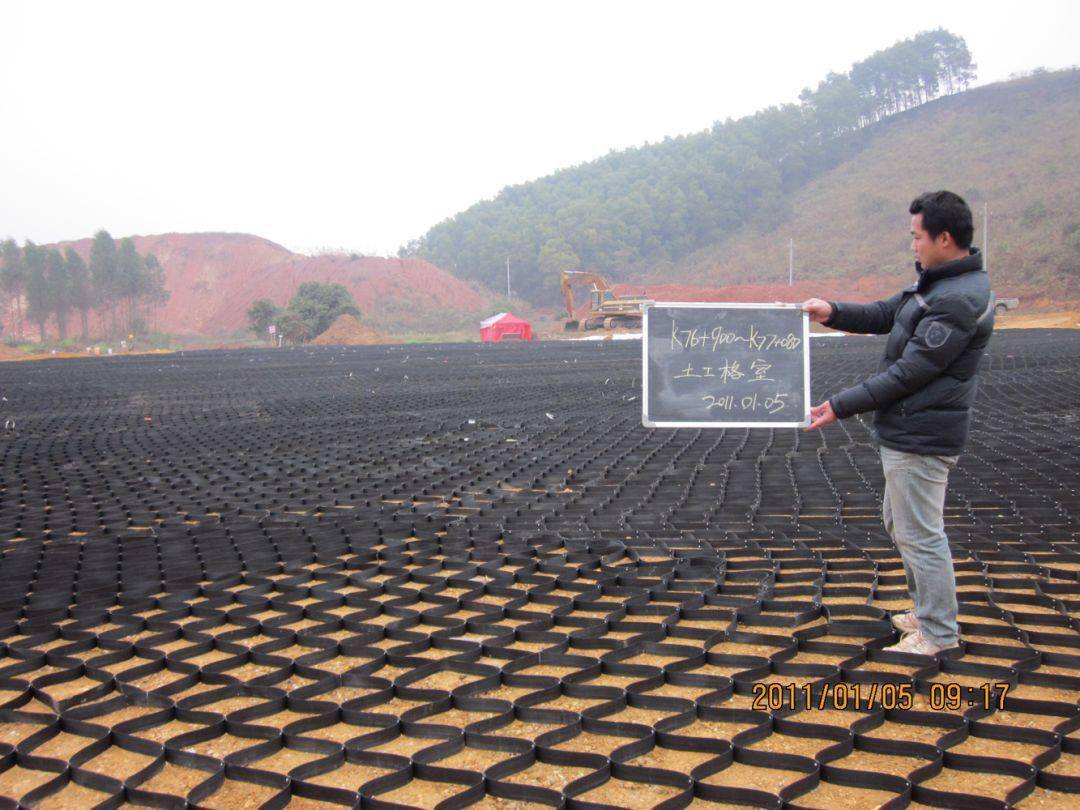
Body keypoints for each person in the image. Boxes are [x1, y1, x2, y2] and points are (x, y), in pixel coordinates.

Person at [801, 190, 995, 656]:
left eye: (917, 236)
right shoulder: (938, 283)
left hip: (923, 433)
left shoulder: (957, 301)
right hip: (911, 428)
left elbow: (909, 373)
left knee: (920, 533)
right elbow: (889, 313)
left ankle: (938, 632)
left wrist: (839, 405)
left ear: (944, 238)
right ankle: (927, 607)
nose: (912, 245)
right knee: (900, 522)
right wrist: (833, 311)